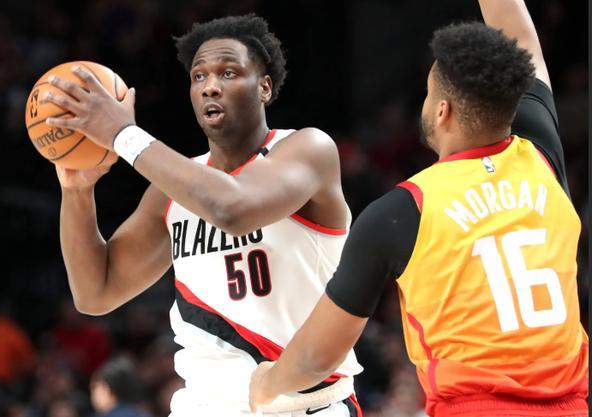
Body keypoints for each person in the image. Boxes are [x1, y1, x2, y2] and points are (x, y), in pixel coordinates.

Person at [248, 1, 588, 416]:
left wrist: (267, 382)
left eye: (429, 93)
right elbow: (522, 37)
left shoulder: (402, 211)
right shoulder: (542, 158)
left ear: (442, 111)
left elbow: (316, 358)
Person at [42, 14, 363, 416]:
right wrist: (77, 191)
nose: (210, 85)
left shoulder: (308, 149)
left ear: (264, 86)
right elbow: (96, 293)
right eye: (199, 76)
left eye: (228, 72)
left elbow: (232, 209)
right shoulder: (171, 190)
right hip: (203, 405)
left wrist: (123, 135)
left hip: (302, 405)